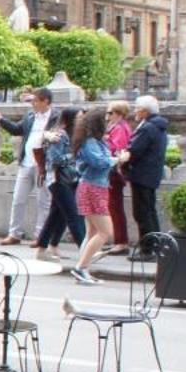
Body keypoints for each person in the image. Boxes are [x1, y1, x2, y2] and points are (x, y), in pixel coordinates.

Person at [0, 86, 53, 244]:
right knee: (18, 199)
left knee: (43, 201)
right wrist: (0, 119)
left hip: (43, 165)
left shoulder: (55, 117)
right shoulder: (30, 116)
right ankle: (14, 233)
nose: (33, 104)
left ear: (46, 102)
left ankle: (40, 236)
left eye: (36, 101)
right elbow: (17, 130)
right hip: (26, 162)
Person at [66, 108, 117, 286]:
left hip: (94, 187)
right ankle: (81, 267)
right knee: (105, 232)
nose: (109, 121)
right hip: (93, 188)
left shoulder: (93, 141)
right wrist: (118, 160)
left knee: (93, 232)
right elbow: (100, 163)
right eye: (106, 119)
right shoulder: (90, 143)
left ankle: (83, 268)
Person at [123, 94, 170, 257]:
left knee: (142, 213)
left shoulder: (148, 127)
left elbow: (134, 150)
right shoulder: (157, 126)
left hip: (142, 175)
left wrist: (123, 159)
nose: (135, 112)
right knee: (149, 211)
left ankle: (148, 249)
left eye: (137, 109)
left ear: (144, 111)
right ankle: (156, 246)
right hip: (151, 174)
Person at [35, 107, 84, 261]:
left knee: (57, 215)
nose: (81, 120)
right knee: (72, 214)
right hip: (59, 179)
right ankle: (85, 249)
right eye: (79, 117)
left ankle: (43, 248)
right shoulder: (60, 135)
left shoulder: (75, 135)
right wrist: (74, 157)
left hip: (70, 178)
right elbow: (55, 159)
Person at [103, 100, 133, 256]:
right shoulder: (115, 127)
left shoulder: (120, 128)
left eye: (110, 113)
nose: (107, 116)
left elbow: (116, 149)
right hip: (113, 171)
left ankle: (121, 242)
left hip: (115, 172)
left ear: (119, 114)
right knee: (112, 206)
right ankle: (118, 240)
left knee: (115, 207)